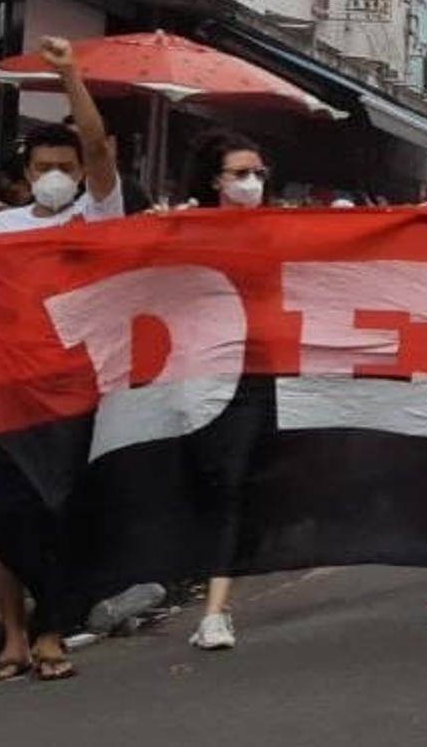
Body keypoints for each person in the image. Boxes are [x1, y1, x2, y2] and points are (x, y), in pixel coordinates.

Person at [0, 38, 121, 684]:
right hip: (4, 388)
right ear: (26, 173)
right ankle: (11, 638)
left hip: (73, 392)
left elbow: (96, 141)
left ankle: (52, 630)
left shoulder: (98, 215)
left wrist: (69, 76)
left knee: (59, 511)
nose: (57, 173)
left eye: (68, 163)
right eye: (44, 165)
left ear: (82, 170)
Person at [178, 130, 273, 650]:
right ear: (216, 179)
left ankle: (215, 611)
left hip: (251, 376)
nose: (252, 182)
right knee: (201, 481)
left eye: (259, 173)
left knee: (230, 486)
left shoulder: (279, 230)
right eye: (241, 173)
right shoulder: (187, 227)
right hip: (190, 374)